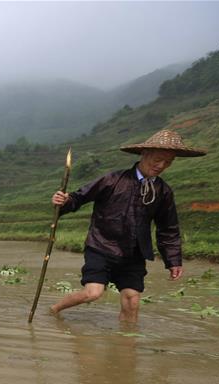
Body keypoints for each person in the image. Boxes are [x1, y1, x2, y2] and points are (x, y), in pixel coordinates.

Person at [50, 130, 207, 322]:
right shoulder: (112, 180)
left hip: (134, 253)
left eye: (168, 162)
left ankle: (127, 344)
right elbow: (78, 197)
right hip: (101, 247)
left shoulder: (163, 192)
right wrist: (64, 201)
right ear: (144, 154)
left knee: (132, 300)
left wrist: (173, 260)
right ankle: (55, 309)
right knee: (93, 293)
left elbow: (168, 228)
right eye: (157, 159)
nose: (161, 166)